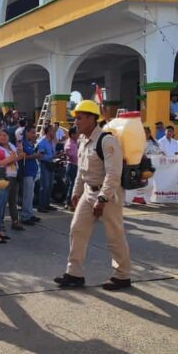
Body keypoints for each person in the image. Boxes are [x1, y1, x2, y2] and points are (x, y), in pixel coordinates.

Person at [55, 100, 132, 291]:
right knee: (77, 230)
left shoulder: (106, 141)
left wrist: (103, 199)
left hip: (107, 195)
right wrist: (75, 193)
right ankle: (74, 274)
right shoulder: (83, 141)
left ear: (91, 118)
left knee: (115, 235)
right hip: (88, 192)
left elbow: (113, 174)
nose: (76, 123)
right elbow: (82, 172)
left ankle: (122, 275)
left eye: (80, 118)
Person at [20, 126, 42, 226]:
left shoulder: (30, 144)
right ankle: (25, 216)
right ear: (27, 133)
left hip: (33, 172)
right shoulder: (22, 144)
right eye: (32, 133)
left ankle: (30, 213)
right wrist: (35, 156)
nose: (34, 135)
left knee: (31, 195)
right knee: (27, 195)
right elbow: (23, 157)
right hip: (27, 172)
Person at [36, 124, 57, 213]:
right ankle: (41, 206)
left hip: (51, 164)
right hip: (44, 165)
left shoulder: (51, 141)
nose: (54, 132)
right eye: (52, 130)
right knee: (45, 186)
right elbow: (40, 157)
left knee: (50, 186)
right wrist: (52, 156)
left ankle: (47, 204)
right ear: (48, 132)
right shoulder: (42, 142)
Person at [63, 131, 80, 205]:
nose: (78, 135)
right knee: (72, 184)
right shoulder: (70, 144)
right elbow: (74, 157)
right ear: (72, 134)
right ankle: (68, 202)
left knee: (73, 184)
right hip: (72, 166)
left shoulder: (75, 142)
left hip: (75, 165)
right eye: (76, 133)